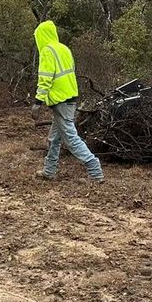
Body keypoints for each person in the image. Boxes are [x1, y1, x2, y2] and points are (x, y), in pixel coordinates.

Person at [33, 20, 104, 182]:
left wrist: (38, 102)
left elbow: (45, 78)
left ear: (41, 36)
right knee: (54, 138)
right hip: (70, 97)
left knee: (70, 138)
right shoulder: (64, 49)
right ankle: (49, 171)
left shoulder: (47, 51)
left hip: (60, 100)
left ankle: (95, 170)